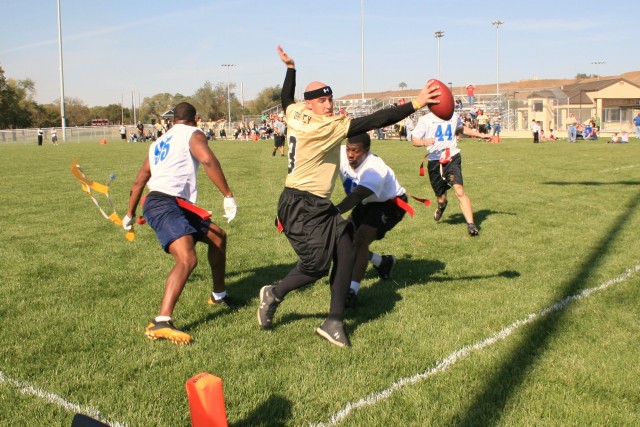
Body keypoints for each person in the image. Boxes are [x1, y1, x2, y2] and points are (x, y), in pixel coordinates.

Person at [256, 45, 440, 348]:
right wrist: (416, 102)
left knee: (346, 248)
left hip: (316, 203)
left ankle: (334, 320)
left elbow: (286, 99)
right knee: (315, 267)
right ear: (311, 104)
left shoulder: (297, 113)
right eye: (323, 100)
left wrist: (290, 69)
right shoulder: (324, 126)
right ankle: (274, 293)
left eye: (330, 99)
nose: (329, 105)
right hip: (301, 204)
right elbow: (375, 121)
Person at [122, 102, 238, 344]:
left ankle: (219, 295)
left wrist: (129, 215)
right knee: (187, 259)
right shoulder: (192, 134)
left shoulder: (157, 143)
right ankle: (161, 322)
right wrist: (228, 194)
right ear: (195, 119)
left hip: (173, 203)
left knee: (218, 236)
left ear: (173, 119)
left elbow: (139, 181)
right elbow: (207, 161)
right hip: (164, 203)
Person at [337, 133, 409, 309]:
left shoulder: (376, 168)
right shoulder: (340, 153)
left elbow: (358, 194)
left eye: (356, 151)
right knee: (344, 240)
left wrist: (334, 211)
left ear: (367, 151)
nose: (350, 155)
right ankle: (382, 262)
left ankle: (352, 291)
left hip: (389, 204)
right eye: (348, 149)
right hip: (366, 202)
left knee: (360, 240)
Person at [410, 110, 492, 236]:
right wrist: (424, 142)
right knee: (441, 198)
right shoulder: (426, 119)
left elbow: (461, 129)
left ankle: (471, 225)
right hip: (434, 161)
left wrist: (480, 135)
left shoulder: (453, 115)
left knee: (459, 190)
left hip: (452, 156)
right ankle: (441, 207)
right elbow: (414, 139)